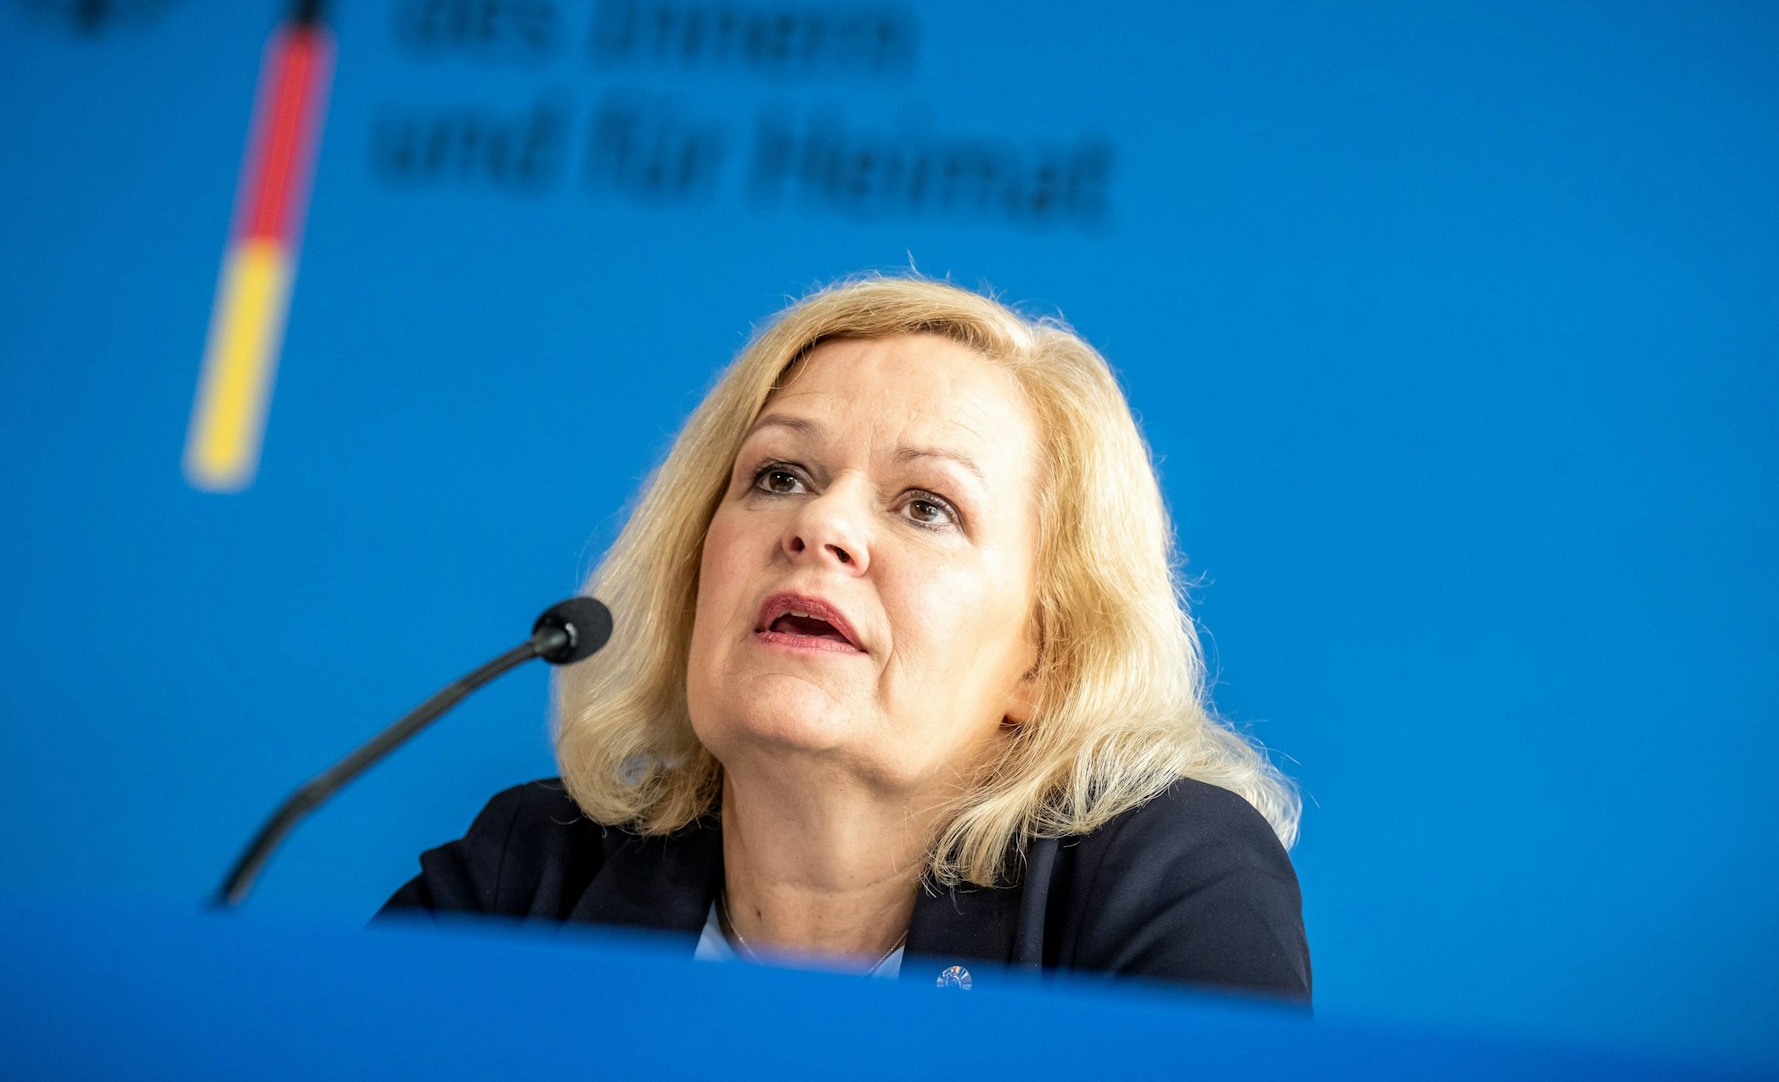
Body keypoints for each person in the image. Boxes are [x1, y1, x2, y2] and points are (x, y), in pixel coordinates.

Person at [381, 276, 1310, 1001]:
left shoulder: (1162, 882)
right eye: (780, 476)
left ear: (1044, 657)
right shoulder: (531, 878)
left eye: (926, 505)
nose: (820, 527)